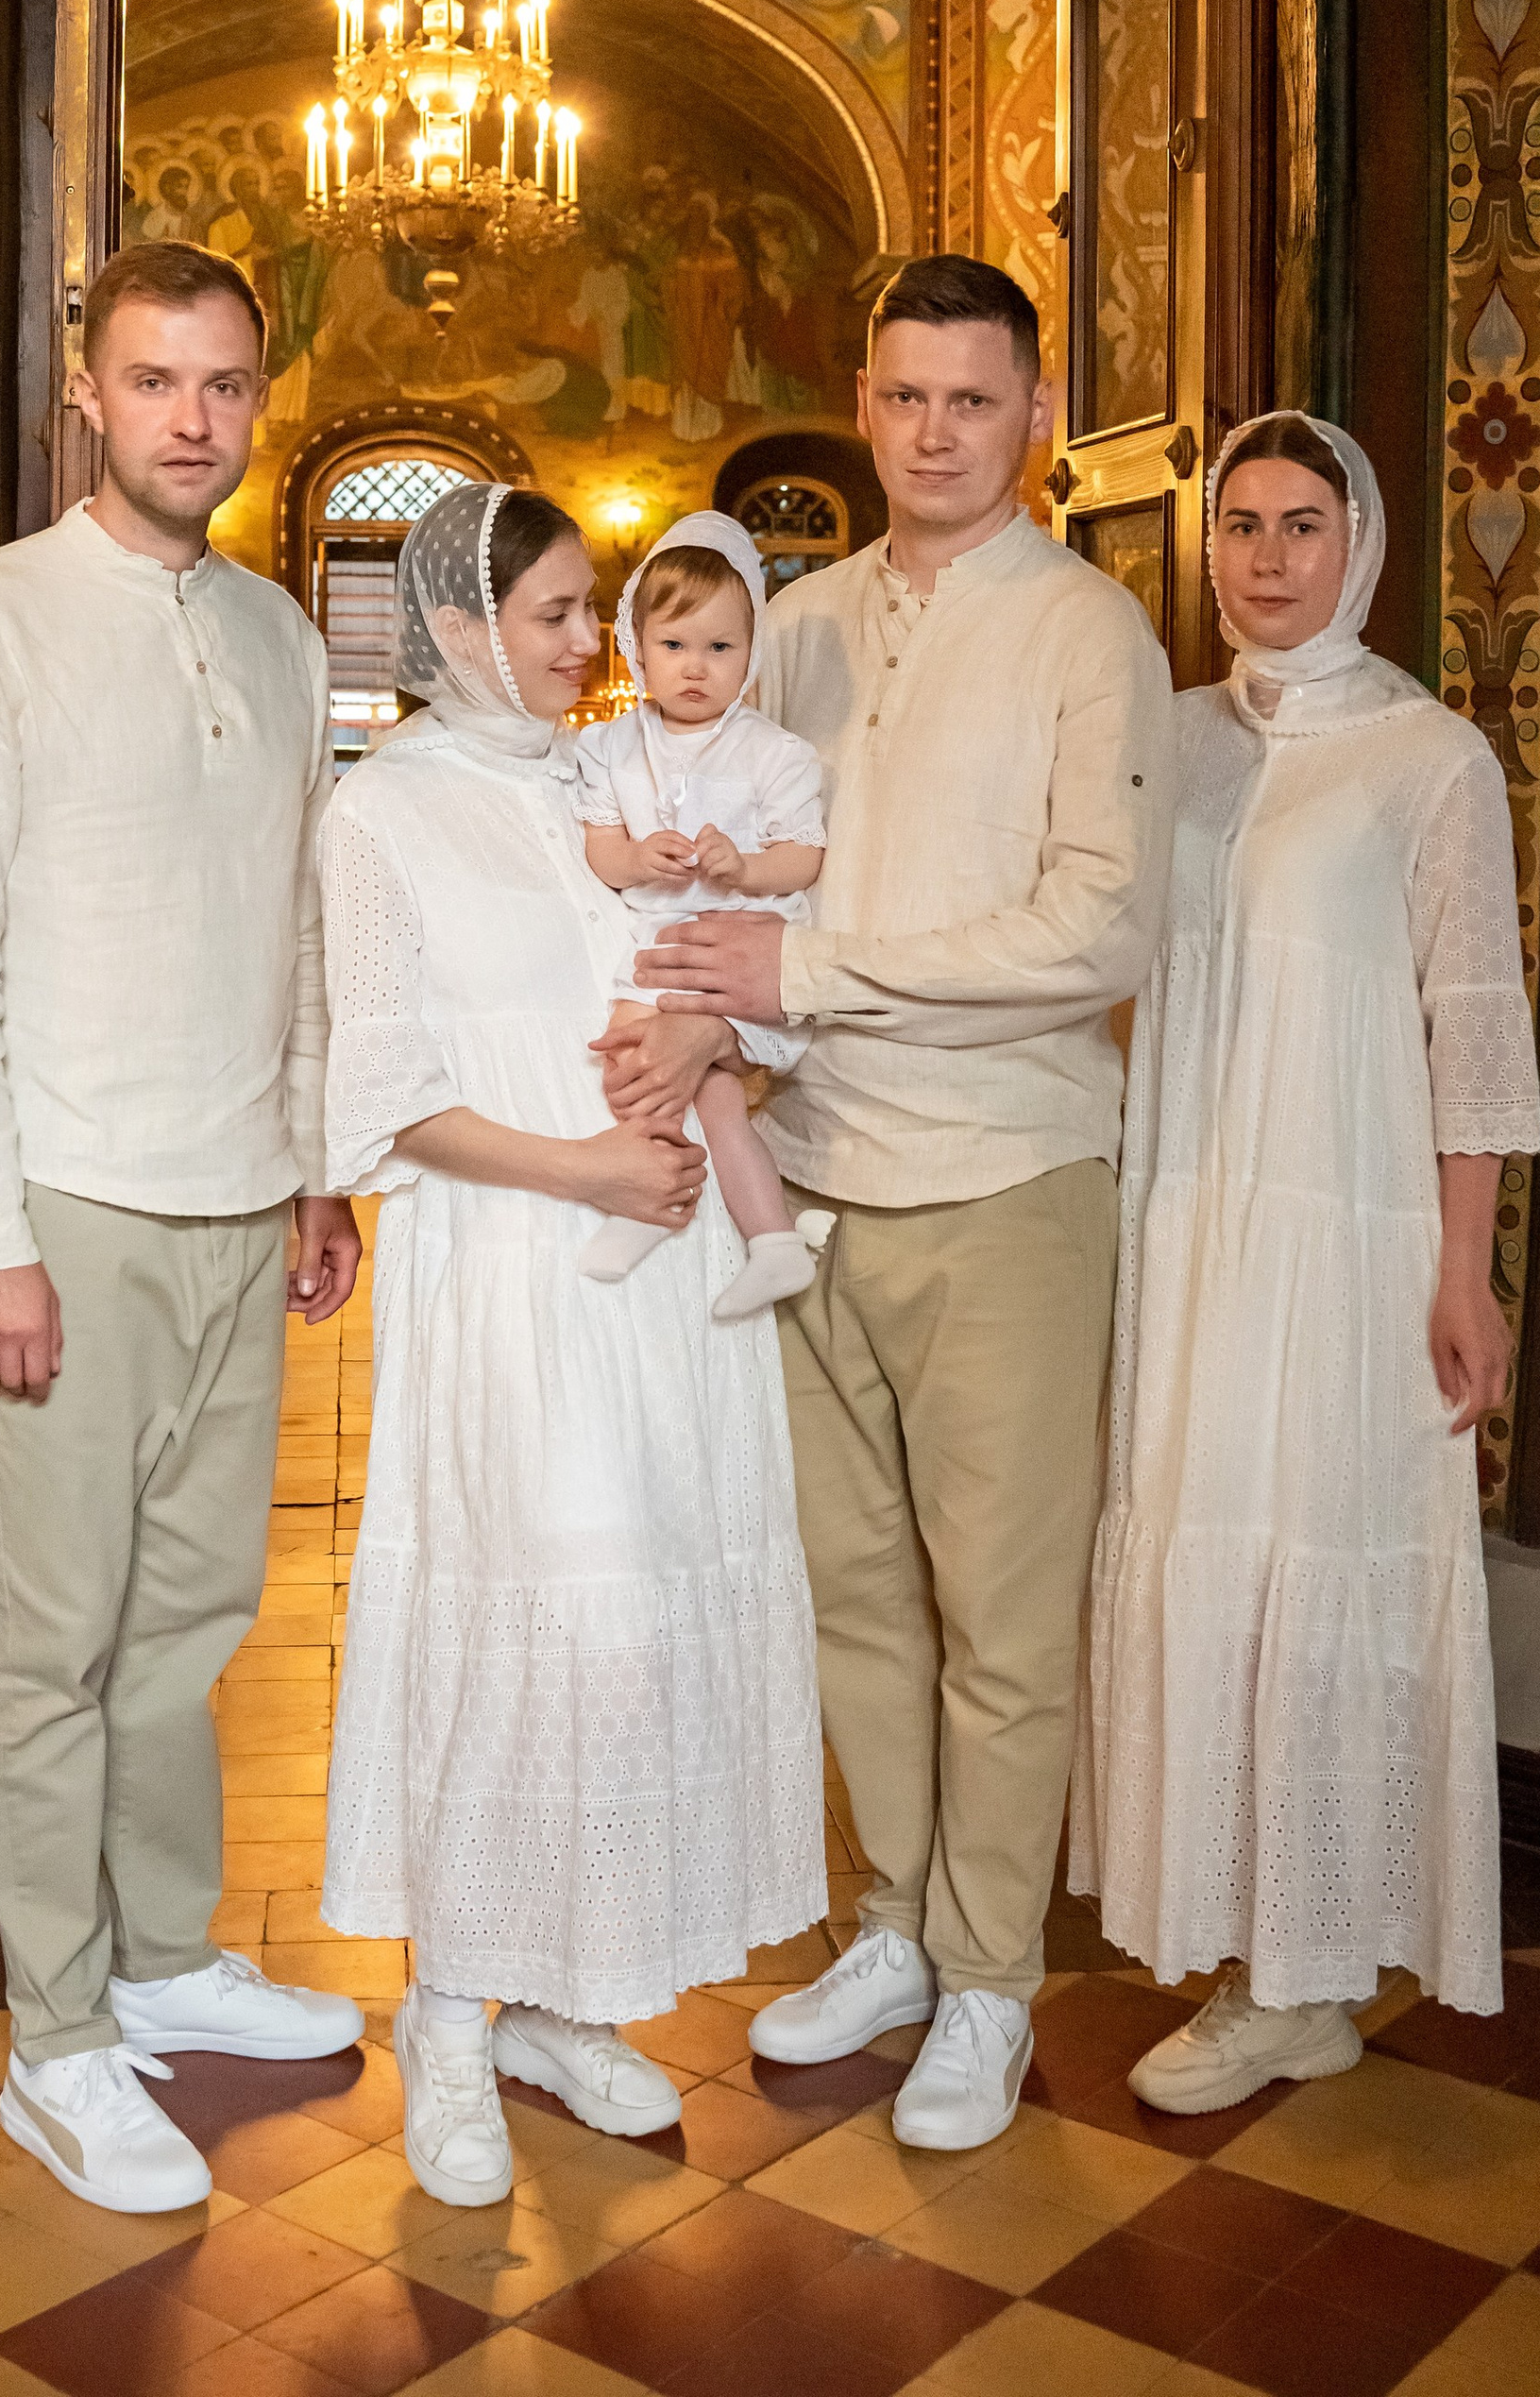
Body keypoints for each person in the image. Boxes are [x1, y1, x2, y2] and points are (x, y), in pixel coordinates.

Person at [639, 254, 1175, 2153]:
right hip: (810, 1179)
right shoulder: (793, 626)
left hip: (1001, 1182)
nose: (934, 432)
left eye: (973, 400)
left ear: (1033, 417)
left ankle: (994, 1982)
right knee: (849, 1592)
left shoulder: (1089, 633)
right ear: (859, 404)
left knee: (1002, 1615)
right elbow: (725, 848)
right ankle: (893, 1926)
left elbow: (1096, 925)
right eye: (903, 396)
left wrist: (814, 978)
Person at [0, 241, 365, 2220]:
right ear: (89, 395)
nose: (194, 419)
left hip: (240, 1198)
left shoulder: (272, 635)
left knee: (187, 1628)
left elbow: (303, 922)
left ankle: (165, 1963)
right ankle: (61, 2040)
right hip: (64, 1208)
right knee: (55, 1643)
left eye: (226, 385)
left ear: (260, 398)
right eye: (158, 382)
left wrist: (317, 1157)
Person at [315, 482, 824, 2211]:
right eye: (552, 614)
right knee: (532, 1632)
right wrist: (589, 1163)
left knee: (631, 1646)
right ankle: (446, 2014)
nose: (588, 643)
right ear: (461, 629)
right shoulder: (386, 817)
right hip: (516, 1277)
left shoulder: (615, 787)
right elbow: (382, 1097)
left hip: (669, 1296)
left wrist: (702, 1031)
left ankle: (556, 1995)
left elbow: (755, 984)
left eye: (594, 610)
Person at [1075, 410, 1539, 2108]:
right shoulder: (1172, 738)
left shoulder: (1431, 761)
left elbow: (1474, 1026)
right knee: (1203, 1525)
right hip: (1186, 1208)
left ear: (1365, 545)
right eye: (1242, 527)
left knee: (1318, 1546)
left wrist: (1466, 1269)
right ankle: (1243, 1941)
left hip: (1345, 1224)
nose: (1267, 558)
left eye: (1302, 526)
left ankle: (1307, 1972)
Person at [574, 509, 831, 1320]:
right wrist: (635, 859)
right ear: (636, 648)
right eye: (675, 646)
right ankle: (773, 1242)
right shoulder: (612, 747)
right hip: (654, 947)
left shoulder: (774, 752)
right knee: (668, 1079)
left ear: (750, 655)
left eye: (721, 648)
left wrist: (743, 867)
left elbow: (806, 856)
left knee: (666, 1073)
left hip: (733, 951)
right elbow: (602, 848)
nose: (696, 668)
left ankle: (659, 1207)